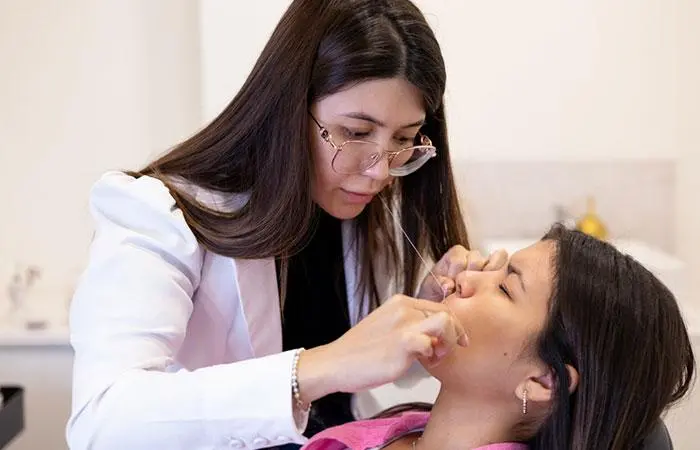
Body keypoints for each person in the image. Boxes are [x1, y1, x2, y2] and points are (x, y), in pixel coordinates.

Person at [66, 1, 501, 449]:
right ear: (289, 105)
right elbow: (103, 423)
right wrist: (319, 366)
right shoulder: (156, 210)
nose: (380, 172)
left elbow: (368, 366)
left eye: (405, 140)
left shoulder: (361, 211)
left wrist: (422, 314)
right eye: (355, 132)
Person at [301, 226, 697, 450]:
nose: (465, 277)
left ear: (545, 380)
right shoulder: (402, 429)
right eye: (494, 267)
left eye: (505, 288)